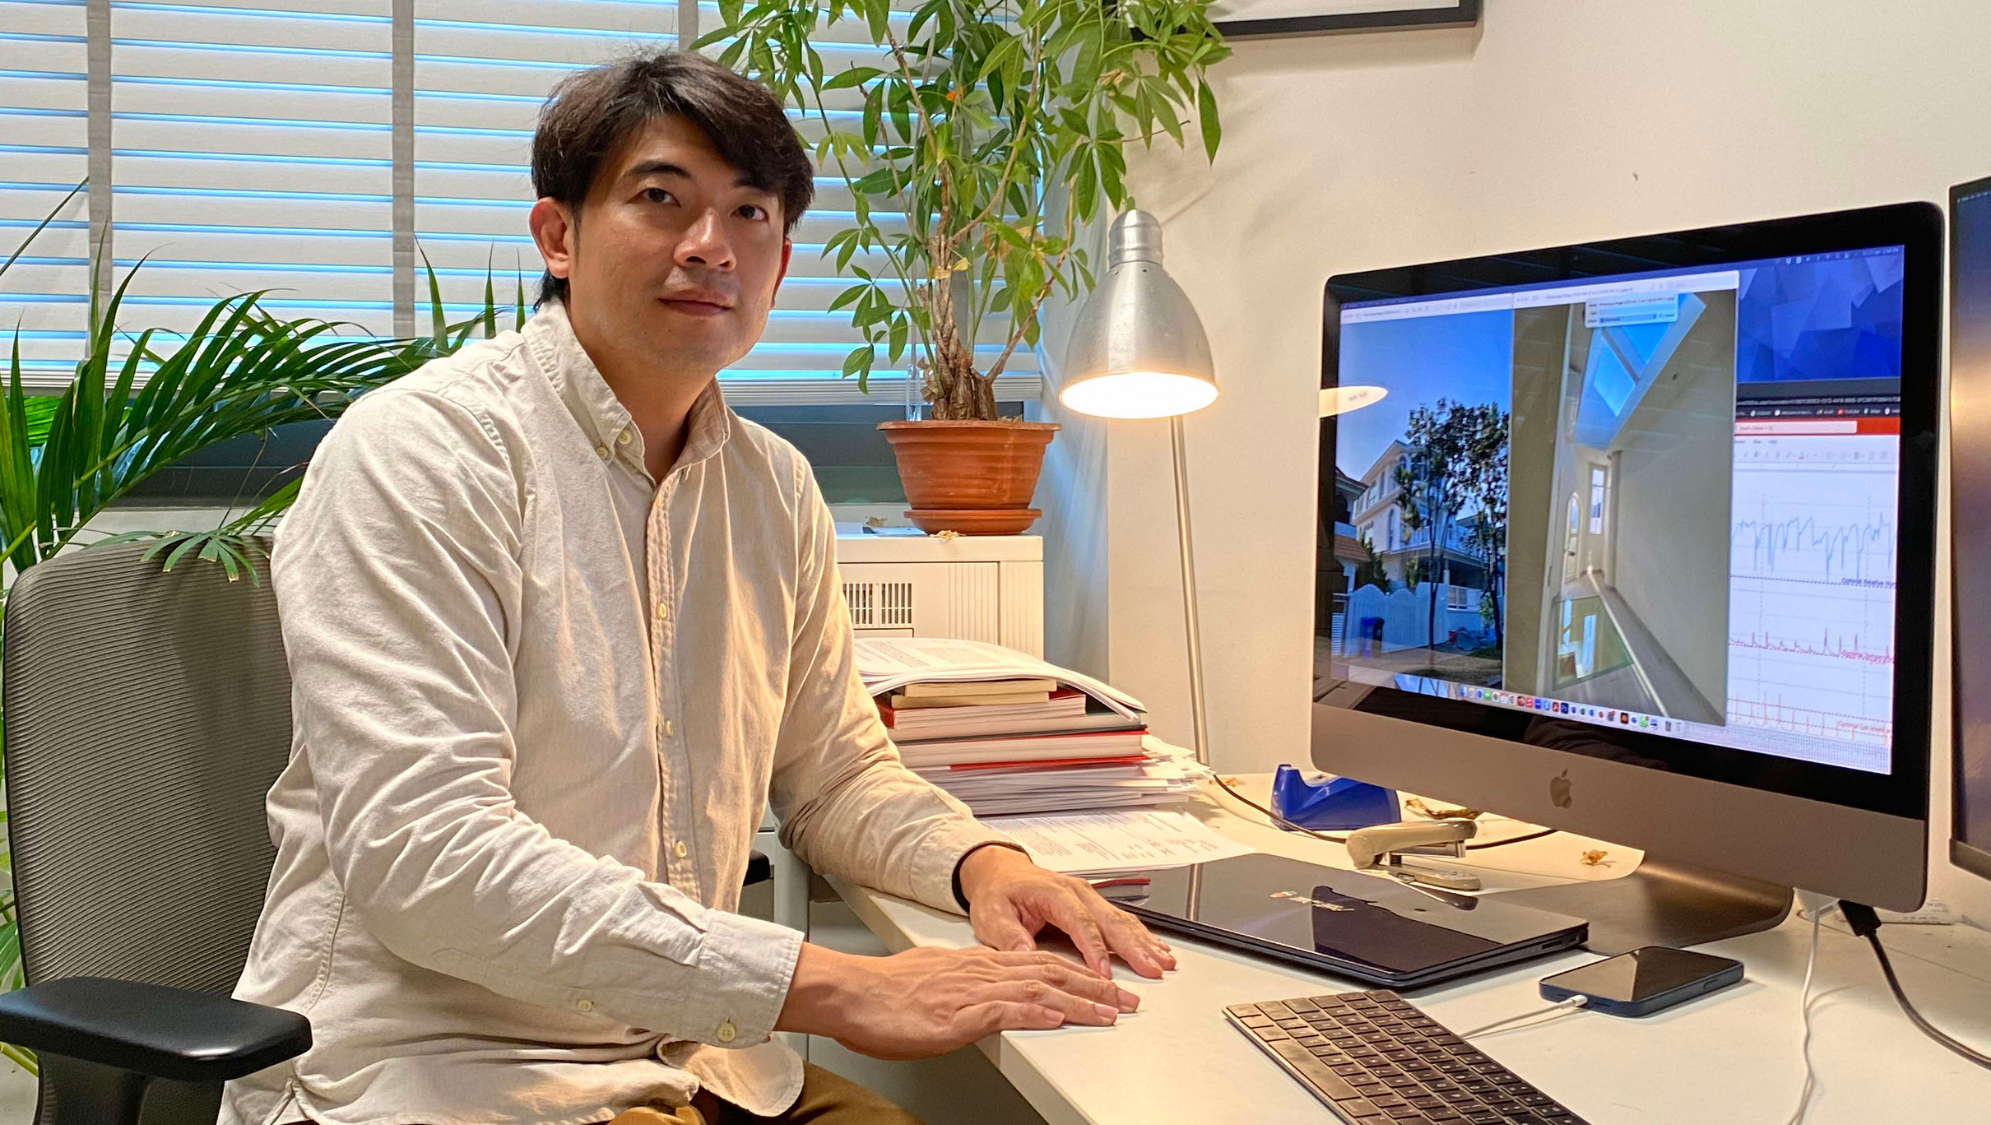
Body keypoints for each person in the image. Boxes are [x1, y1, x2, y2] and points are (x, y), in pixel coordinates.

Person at [218, 49, 1176, 1125]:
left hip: (703, 1061)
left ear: (777, 262)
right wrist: (838, 987)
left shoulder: (772, 488)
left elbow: (832, 778)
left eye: (750, 213)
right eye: (659, 199)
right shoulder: (425, 455)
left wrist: (981, 863)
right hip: (451, 1072)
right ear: (557, 236)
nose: (709, 246)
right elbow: (426, 855)